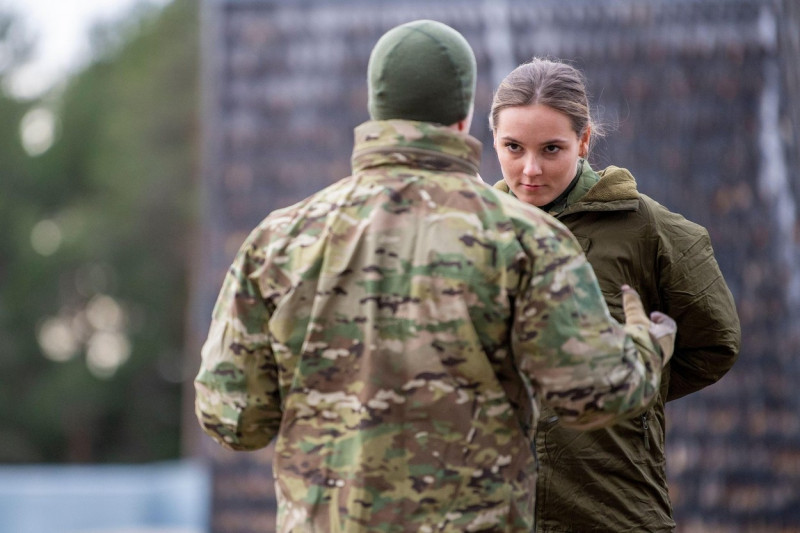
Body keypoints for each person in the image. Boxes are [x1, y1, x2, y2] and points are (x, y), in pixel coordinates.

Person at [195, 22, 673, 532]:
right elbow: (594, 396)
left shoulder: (279, 241)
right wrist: (648, 342)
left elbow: (235, 420)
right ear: (466, 116)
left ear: (377, 109)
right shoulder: (527, 239)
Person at [490, 57, 741, 532]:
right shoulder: (477, 232)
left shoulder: (646, 227)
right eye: (513, 147)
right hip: (500, 508)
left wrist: (628, 392)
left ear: (584, 142)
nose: (530, 169)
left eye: (551, 149)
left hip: (611, 501)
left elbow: (715, 343)